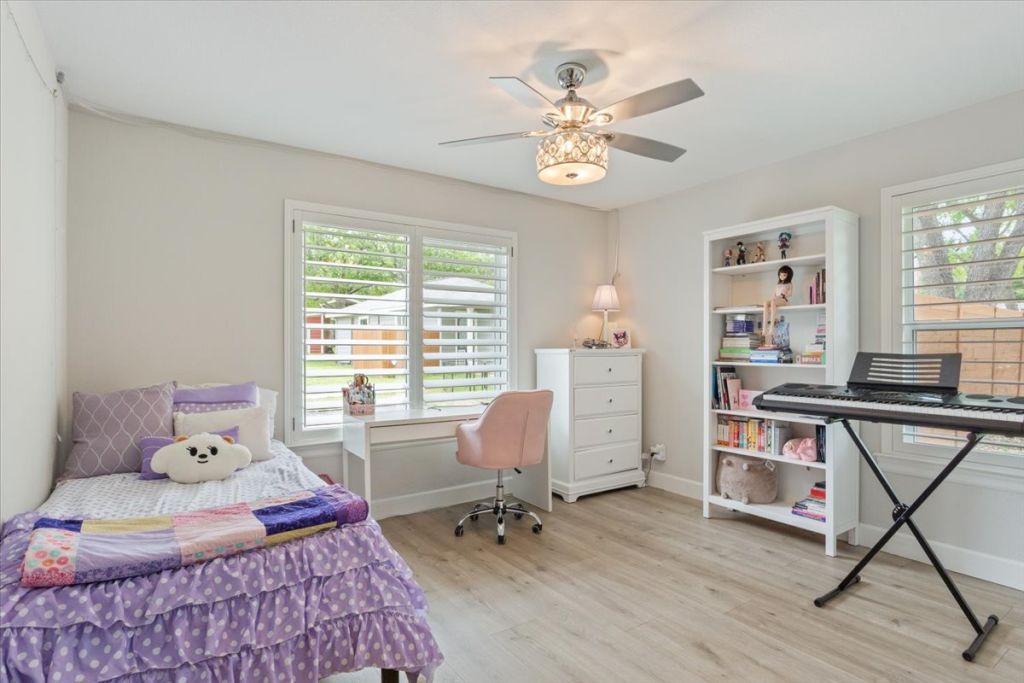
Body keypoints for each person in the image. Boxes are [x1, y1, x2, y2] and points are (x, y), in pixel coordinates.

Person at [763, 265, 794, 346]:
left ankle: (772, 327)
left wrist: (784, 294)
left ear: (788, 275)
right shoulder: (778, 284)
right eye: (780, 275)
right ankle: (764, 327)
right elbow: (774, 294)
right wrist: (774, 298)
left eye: (784, 275)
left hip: (783, 300)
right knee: (766, 303)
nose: (782, 276)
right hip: (776, 299)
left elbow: (790, 294)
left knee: (773, 302)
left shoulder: (789, 284)